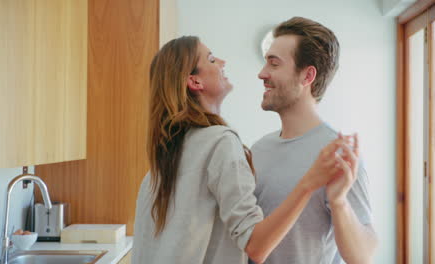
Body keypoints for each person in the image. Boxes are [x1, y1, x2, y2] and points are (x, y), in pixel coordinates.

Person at [132, 36, 352, 264]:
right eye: (211, 59)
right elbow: (256, 246)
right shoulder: (219, 143)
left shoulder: (164, 160)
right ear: (195, 82)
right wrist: (310, 183)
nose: (222, 62)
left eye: (274, 63)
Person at [251, 17, 378, 264]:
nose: (262, 74)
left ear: (307, 75)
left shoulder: (336, 154)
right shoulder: (258, 150)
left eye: (274, 64)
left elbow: (363, 257)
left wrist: (339, 202)